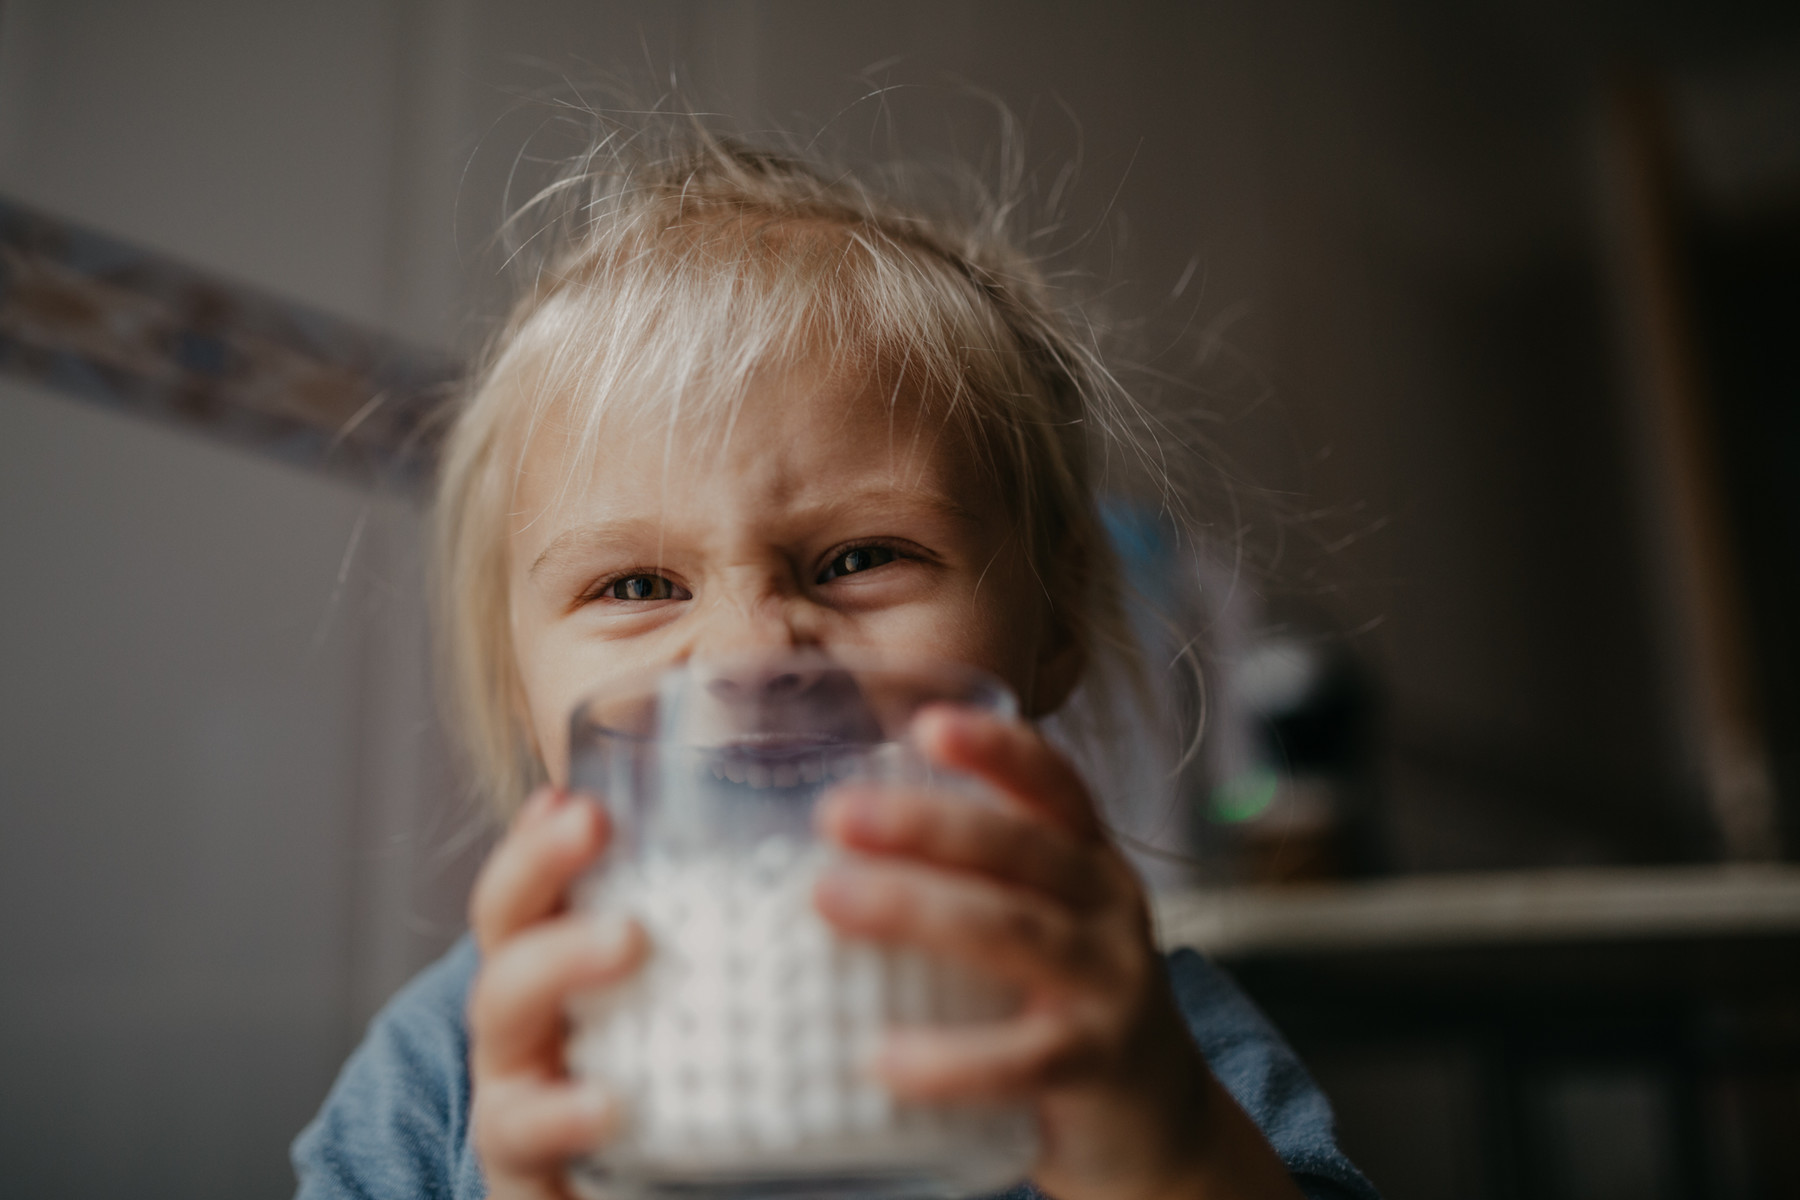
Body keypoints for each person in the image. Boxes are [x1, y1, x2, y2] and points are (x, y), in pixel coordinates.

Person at [292, 120, 1380, 1200]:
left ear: (1053, 628)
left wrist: (1171, 1157)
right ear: (520, 689)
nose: (755, 654)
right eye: (635, 586)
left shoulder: (1138, 1043)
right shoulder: (444, 1075)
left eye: (861, 559)